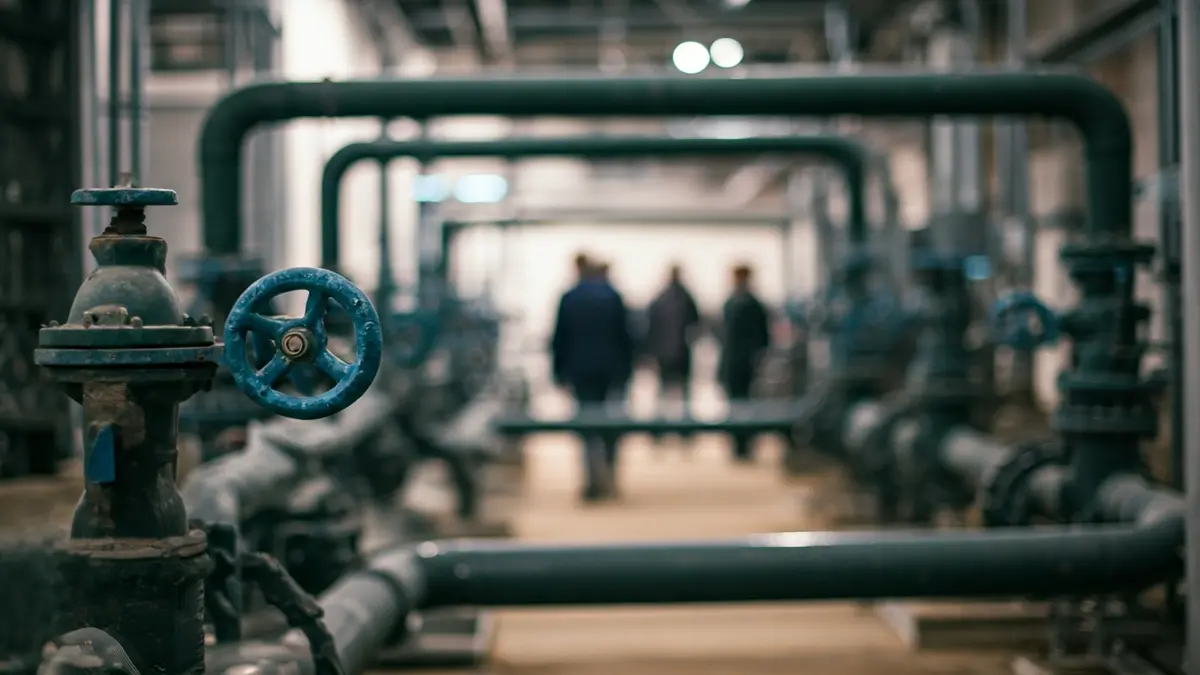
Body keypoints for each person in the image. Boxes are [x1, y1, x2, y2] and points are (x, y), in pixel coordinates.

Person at [551, 256, 635, 502]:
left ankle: (592, 481)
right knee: (612, 426)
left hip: (580, 371)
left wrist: (558, 373)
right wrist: (627, 372)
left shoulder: (569, 298)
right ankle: (610, 475)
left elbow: (559, 339)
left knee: (587, 427)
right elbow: (626, 337)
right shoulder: (613, 297)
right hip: (612, 370)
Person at [718, 264, 772, 463]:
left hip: (744, 362)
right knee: (737, 404)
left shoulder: (736, 304)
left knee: (745, 404)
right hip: (737, 362)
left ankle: (744, 444)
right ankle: (739, 445)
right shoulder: (746, 304)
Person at [644, 264, 701, 446]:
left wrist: (651, 351)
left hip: (664, 353)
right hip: (681, 351)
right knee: (682, 395)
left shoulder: (661, 297)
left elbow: (651, 327)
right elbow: (696, 323)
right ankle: (684, 432)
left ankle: (659, 432)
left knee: (663, 394)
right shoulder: (686, 297)